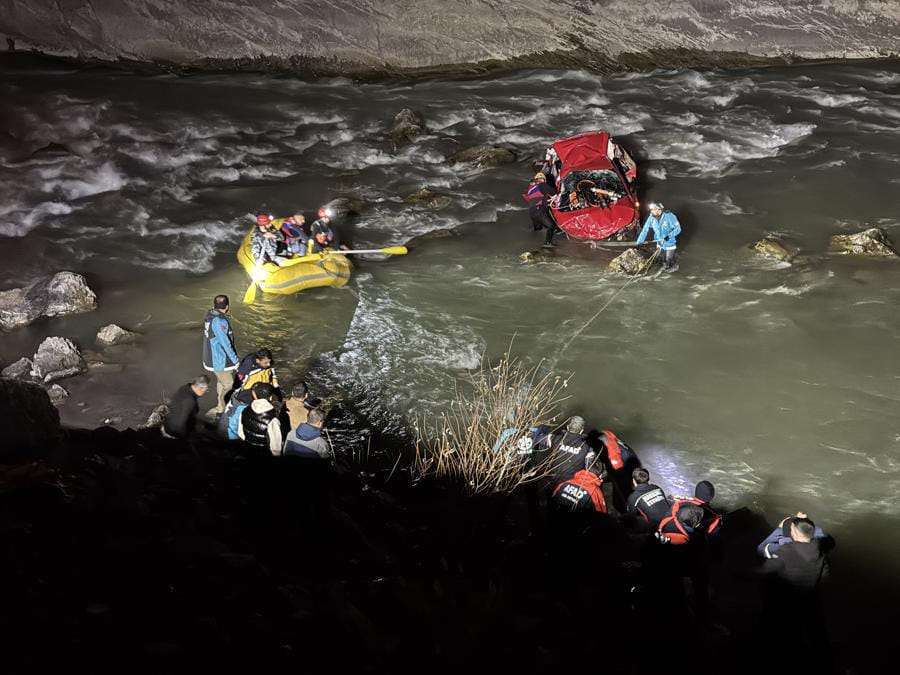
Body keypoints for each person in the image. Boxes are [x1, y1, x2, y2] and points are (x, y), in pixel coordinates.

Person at [201, 294, 239, 415]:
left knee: (221, 382)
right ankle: (222, 407)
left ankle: (219, 405)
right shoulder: (219, 321)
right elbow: (225, 343)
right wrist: (235, 361)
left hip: (212, 357)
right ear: (227, 306)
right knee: (229, 384)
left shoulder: (210, 315)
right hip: (219, 359)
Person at [238, 382, 283, 455]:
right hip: (264, 453)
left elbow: (241, 433)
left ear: (255, 395)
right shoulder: (273, 420)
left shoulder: (245, 410)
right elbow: (275, 446)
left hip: (248, 449)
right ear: (271, 397)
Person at [636, 202, 682, 272]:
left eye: (653, 209)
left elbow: (678, 229)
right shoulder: (651, 218)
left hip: (669, 242)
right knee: (660, 261)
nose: (651, 211)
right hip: (659, 242)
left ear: (659, 209)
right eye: (651, 210)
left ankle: (673, 267)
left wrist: (668, 236)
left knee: (668, 263)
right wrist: (639, 242)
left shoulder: (670, 216)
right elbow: (645, 230)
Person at [549, 415, 593, 481]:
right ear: (581, 431)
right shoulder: (586, 447)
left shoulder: (555, 438)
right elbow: (589, 464)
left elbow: (549, 439)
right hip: (570, 481)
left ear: (567, 427)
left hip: (552, 477)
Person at [523, 172, 559, 247]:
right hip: (539, 209)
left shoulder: (530, 189)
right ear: (543, 180)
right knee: (551, 226)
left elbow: (529, 198)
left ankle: (532, 243)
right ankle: (547, 244)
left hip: (531, 212)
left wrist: (546, 200)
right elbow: (554, 192)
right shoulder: (542, 184)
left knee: (537, 230)